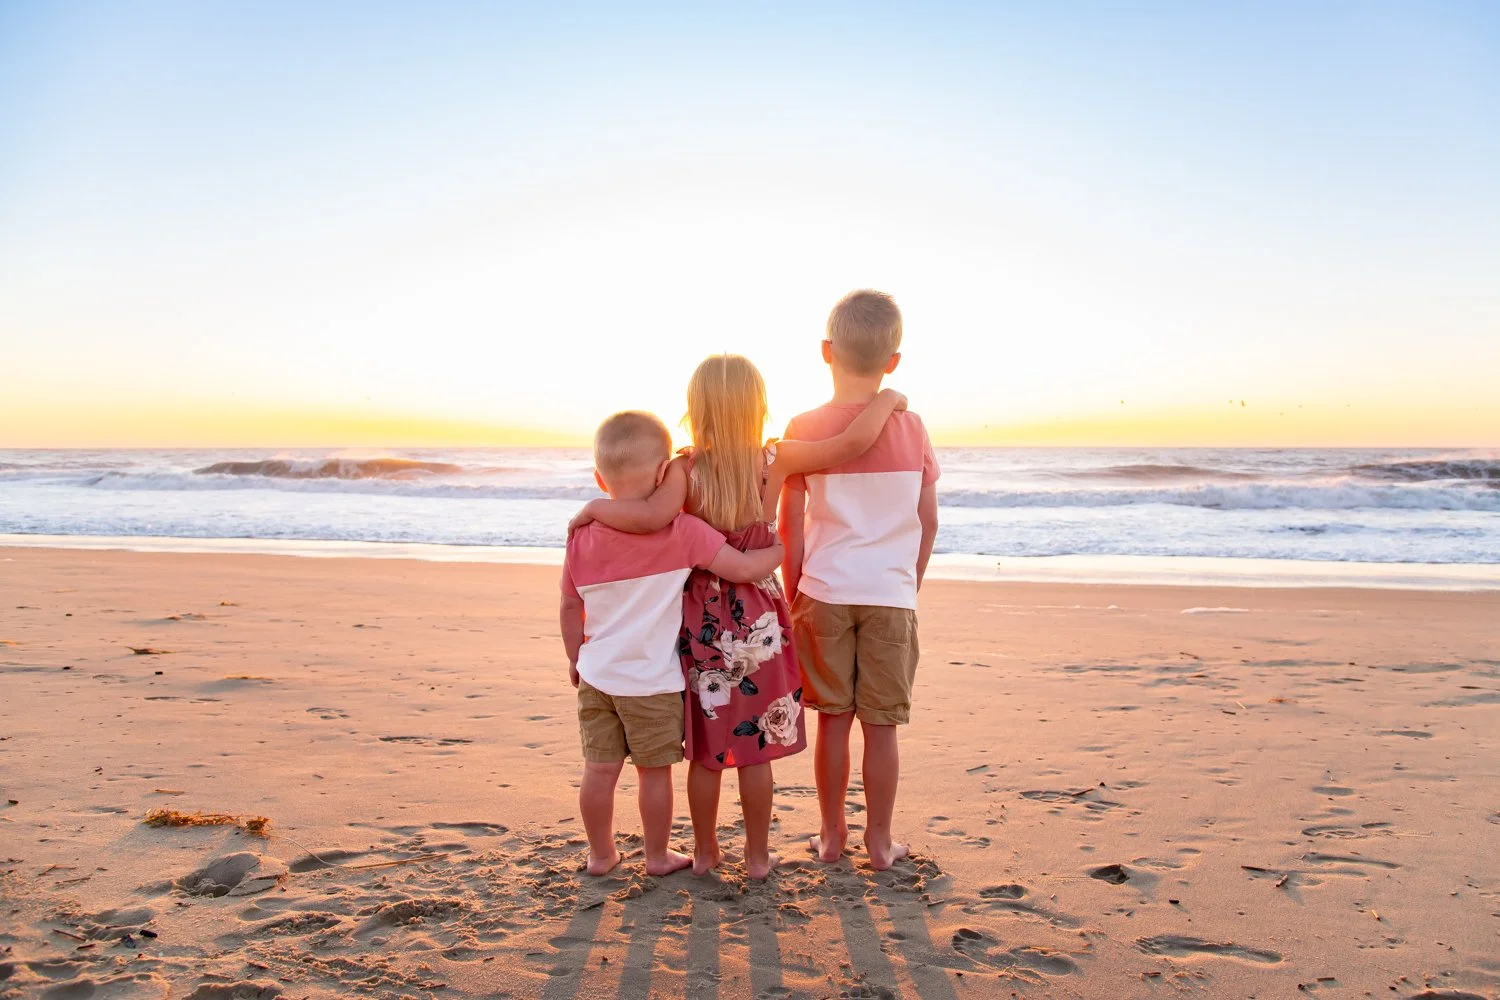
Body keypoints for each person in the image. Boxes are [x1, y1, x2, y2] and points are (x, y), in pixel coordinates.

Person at [569, 356, 905, 878]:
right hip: (759, 613)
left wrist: (594, 509)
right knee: (756, 746)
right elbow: (851, 445)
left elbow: (651, 517)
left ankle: (704, 854)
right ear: (759, 405)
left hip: (701, 614)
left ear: (695, 408)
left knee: (708, 748)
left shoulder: (683, 468)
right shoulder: (777, 457)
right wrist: (886, 399)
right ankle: (756, 857)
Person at [561, 410, 784, 877]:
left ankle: (601, 855)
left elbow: (569, 606)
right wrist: (784, 550)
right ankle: (657, 856)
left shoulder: (581, 535)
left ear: (600, 478)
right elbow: (741, 570)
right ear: (666, 473)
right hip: (652, 683)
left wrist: (575, 658)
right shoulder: (682, 532)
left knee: (599, 772)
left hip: (598, 675)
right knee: (653, 773)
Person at [778, 290, 940, 871]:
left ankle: (830, 836)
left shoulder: (803, 427)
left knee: (832, 724)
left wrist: (795, 590)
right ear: (892, 361)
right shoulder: (914, 429)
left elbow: (790, 528)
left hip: (822, 593)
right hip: (889, 596)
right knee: (883, 727)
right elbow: (928, 522)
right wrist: (907, 583)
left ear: (826, 351)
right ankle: (879, 840)